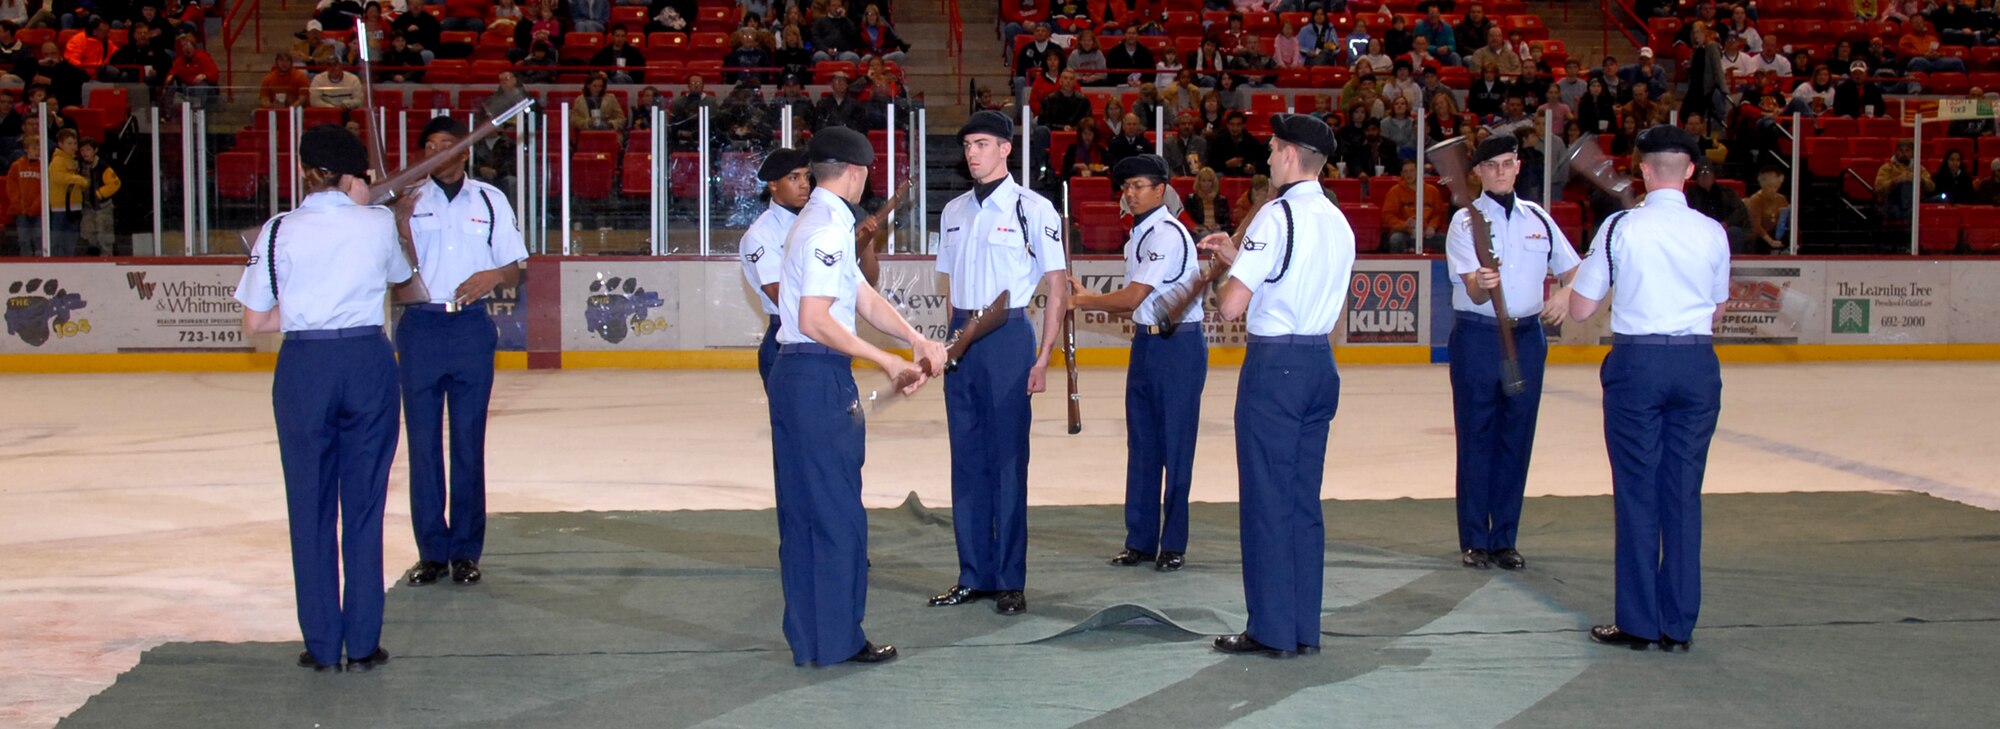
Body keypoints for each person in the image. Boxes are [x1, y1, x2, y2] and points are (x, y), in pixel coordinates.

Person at [233, 124, 411, 673]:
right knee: (364, 506)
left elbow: (256, 321)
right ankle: (363, 642)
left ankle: (320, 643)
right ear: (356, 174)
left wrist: (311, 307)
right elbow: (402, 278)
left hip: (305, 364)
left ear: (306, 170)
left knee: (309, 507)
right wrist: (373, 207)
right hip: (366, 360)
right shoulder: (378, 223)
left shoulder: (278, 229)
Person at [770, 126, 941, 666]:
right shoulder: (827, 228)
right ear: (859, 172)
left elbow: (861, 293)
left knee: (807, 512)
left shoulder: (817, 221)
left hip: (800, 376)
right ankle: (837, 639)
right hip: (817, 375)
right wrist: (888, 360)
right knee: (836, 513)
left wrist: (913, 338)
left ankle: (814, 637)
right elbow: (816, 320)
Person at [1195, 113, 1355, 658]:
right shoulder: (1338, 219)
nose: (1266, 157)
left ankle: (1270, 629)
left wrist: (1226, 273)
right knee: (1301, 503)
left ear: (1290, 154)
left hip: (1276, 367)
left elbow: (1233, 305)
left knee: (1266, 499)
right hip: (1317, 361)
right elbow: (1304, 288)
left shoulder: (1274, 215)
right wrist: (1243, 260)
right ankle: (1302, 627)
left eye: (1271, 149)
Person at [1566, 124, 1728, 654]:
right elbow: (1717, 308)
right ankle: (1677, 623)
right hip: (1696, 362)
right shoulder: (1712, 232)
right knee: (1682, 494)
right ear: (1689, 172)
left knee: (1637, 492)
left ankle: (1637, 621)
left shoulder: (1619, 228)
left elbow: (1582, 308)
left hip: (1639, 363)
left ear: (1643, 170)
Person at [928, 111, 1069, 617]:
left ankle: (1010, 578)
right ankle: (974, 574)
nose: (972, 153)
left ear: (1006, 149)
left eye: (983, 143)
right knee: (966, 461)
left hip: (1008, 336)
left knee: (1008, 462)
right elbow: (950, 289)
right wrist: (950, 344)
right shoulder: (953, 211)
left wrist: (1044, 355)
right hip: (962, 335)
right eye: (968, 144)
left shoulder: (1034, 209)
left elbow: (1056, 287)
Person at [387, 116, 527, 589]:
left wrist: (493, 276)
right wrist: (400, 226)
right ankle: (431, 552)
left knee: (468, 443)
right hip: (420, 326)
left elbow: (514, 266)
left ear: (465, 151)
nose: (440, 152)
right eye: (430, 145)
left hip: (469, 328)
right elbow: (391, 271)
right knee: (423, 446)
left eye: (448, 144)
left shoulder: (490, 200)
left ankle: (466, 551)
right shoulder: (404, 201)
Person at [1445, 134, 1580, 571]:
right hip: (1479, 336)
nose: (1501, 171)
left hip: (1526, 337)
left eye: (1508, 163)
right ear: (1479, 173)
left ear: (1519, 166)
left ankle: (1505, 538)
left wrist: (1566, 292)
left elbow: (1575, 267)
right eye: (1492, 165)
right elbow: (1470, 288)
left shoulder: (1537, 218)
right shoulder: (1465, 223)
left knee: (1516, 438)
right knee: (1476, 435)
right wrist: (1481, 285)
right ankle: (1474, 539)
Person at [1071, 154, 1206, 572]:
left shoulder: (1166, 234)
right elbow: (1135, 306)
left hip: (1177, 347)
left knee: (1175, 448)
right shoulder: (1138, 236)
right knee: (1143, 445)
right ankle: (1141, 540)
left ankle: (1174, 542)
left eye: (1139, 186)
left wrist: (1083, 299)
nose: (1130, 193)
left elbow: (1132, 298)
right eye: (1126, 187)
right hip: (1147, 345)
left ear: (1160, 190)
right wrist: (1086, 295)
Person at [740, 147, 811, 384]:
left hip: (819, 334)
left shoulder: (817, 224)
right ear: (773, 184)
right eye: (793, 177)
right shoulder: (761, 235)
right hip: (785, 339)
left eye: (806, 176)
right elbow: (779, 294)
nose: (804, 184)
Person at [1381, 157, 1445, 252]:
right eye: (1405, 171)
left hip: (1427, 233)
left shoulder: (1432, 191)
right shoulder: (1395, 192)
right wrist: (1404, 225)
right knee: (1396, 240)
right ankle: (1397, 266)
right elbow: (1387, 216)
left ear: (1418, 172)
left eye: (1411, 171)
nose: (1408, 174)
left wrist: (1432, 226)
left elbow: (1439, 213)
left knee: (1445, 240)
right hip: (1404, 233)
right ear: (1402, 174)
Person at [45, 127, 87, 256]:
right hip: (60, 207)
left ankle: (69, 259)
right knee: (58, 238)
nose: (73, 146)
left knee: (71, 238)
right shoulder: (57, 160)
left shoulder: (75, 161)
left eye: (75, 143)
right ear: (60, 144)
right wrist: (78, 179)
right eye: (69, 143)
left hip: (75, 205)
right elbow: (58, 177)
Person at [75, 137, 116, 255]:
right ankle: (94, 256)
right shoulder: (79, 165)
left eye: (88, 150)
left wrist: (100, 193)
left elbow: (115, 183)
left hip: (103, 206)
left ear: (95, 150)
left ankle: (107, 258)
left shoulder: (103, 166)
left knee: (105, 234)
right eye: (82, 150)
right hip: (87, 206)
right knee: (89, 233)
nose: (85, 153)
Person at [1874, 140, 1933, 221]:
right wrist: (1896, 181)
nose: (1904, 153)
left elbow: (1931, 187)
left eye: (1907, 150)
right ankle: (1908, 216)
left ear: (1912, 153)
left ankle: (1910, 214)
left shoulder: (1919, 168)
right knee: (1906, 184)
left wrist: (1920, 179)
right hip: (1893, 203)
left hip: (1916, 203)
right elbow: (1879, 189)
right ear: (1896, 152)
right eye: (1901, 150)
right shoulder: (1887, 168)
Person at [1744, 166, 1789, 253]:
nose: (1773, 190)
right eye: (1770, 186)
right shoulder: (1756, 199)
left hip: (1777, 234)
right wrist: (1770, 241)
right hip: (1759, 239)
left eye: (1776, 187)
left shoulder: (1782, 198)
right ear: (1762, 184)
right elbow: (1756, 225)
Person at [1184, 165, 1231, 236]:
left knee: (1218, 235)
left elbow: (1227, 223)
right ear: (1199, 182)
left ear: (1213, 182)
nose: (1206, 184)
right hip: (1200, 231)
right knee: (1205, 235)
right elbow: (1188, 220)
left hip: (1217, 231)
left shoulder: (1222, 200)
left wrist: (1219, 226)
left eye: (1209, 181)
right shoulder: (1191, 199)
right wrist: (1201, 227)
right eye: (1203, 181)